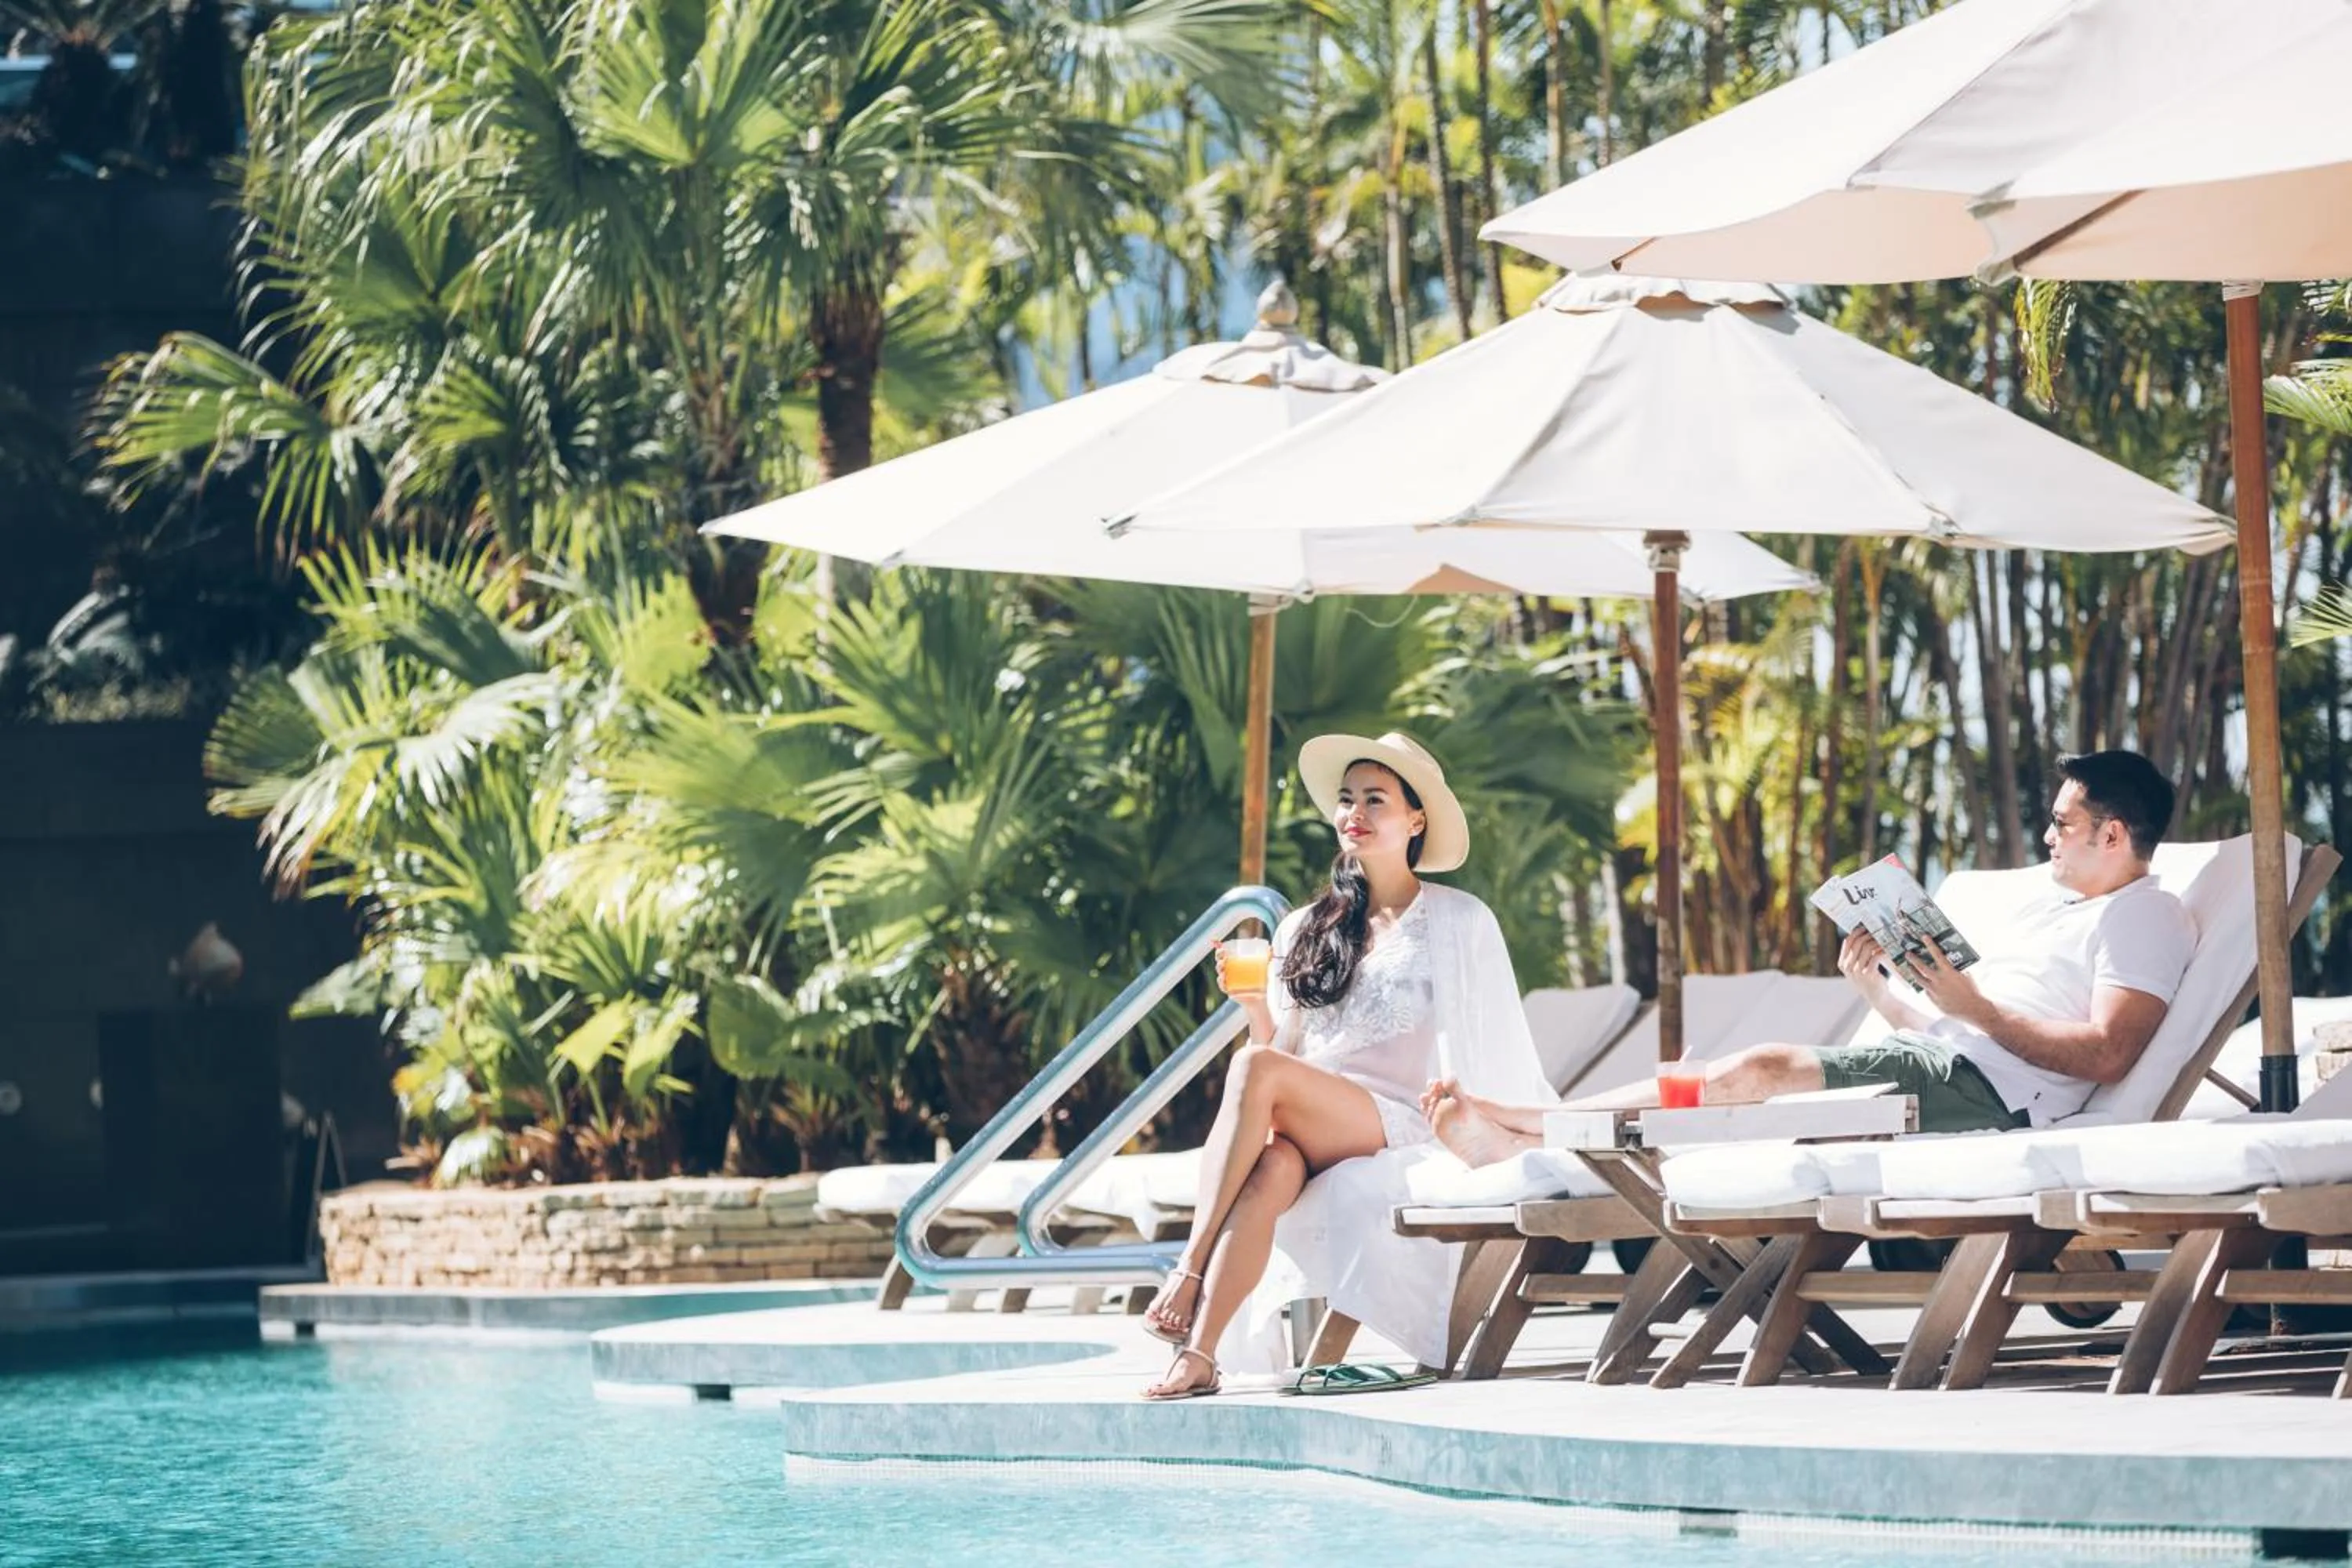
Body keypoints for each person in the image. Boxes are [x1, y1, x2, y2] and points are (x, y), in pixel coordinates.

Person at [1426, 750, 2198, 1167]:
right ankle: (1534, 1132)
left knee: (1757, 1069)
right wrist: (1886, 995)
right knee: (1744, 1087)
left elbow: (2107, 1053)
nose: (2049, 836)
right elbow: (1959, 1030)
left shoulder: (2147, 915)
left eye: (2065, 823)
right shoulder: (2056, 906)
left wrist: (1975, 1008)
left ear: (2114, 834)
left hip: (1991, 1095)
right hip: (1946, 1059)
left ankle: (1529, 1128)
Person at [1138, 731, 1554, 1399]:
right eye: (1346, 799)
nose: (1354, 812)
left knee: (1252, 1072)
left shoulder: (1458, 920)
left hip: (1402, 1120)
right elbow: (1284, 1055)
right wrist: (1253, 1005)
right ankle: (1200, 1354)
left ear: (1416, 819)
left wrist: (1482, 1123)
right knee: (1271, 1162)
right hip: (1315, 1119)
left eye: (1376, 799)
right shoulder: (1307, 926)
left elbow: (1492, 1041)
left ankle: (1187, 1269)